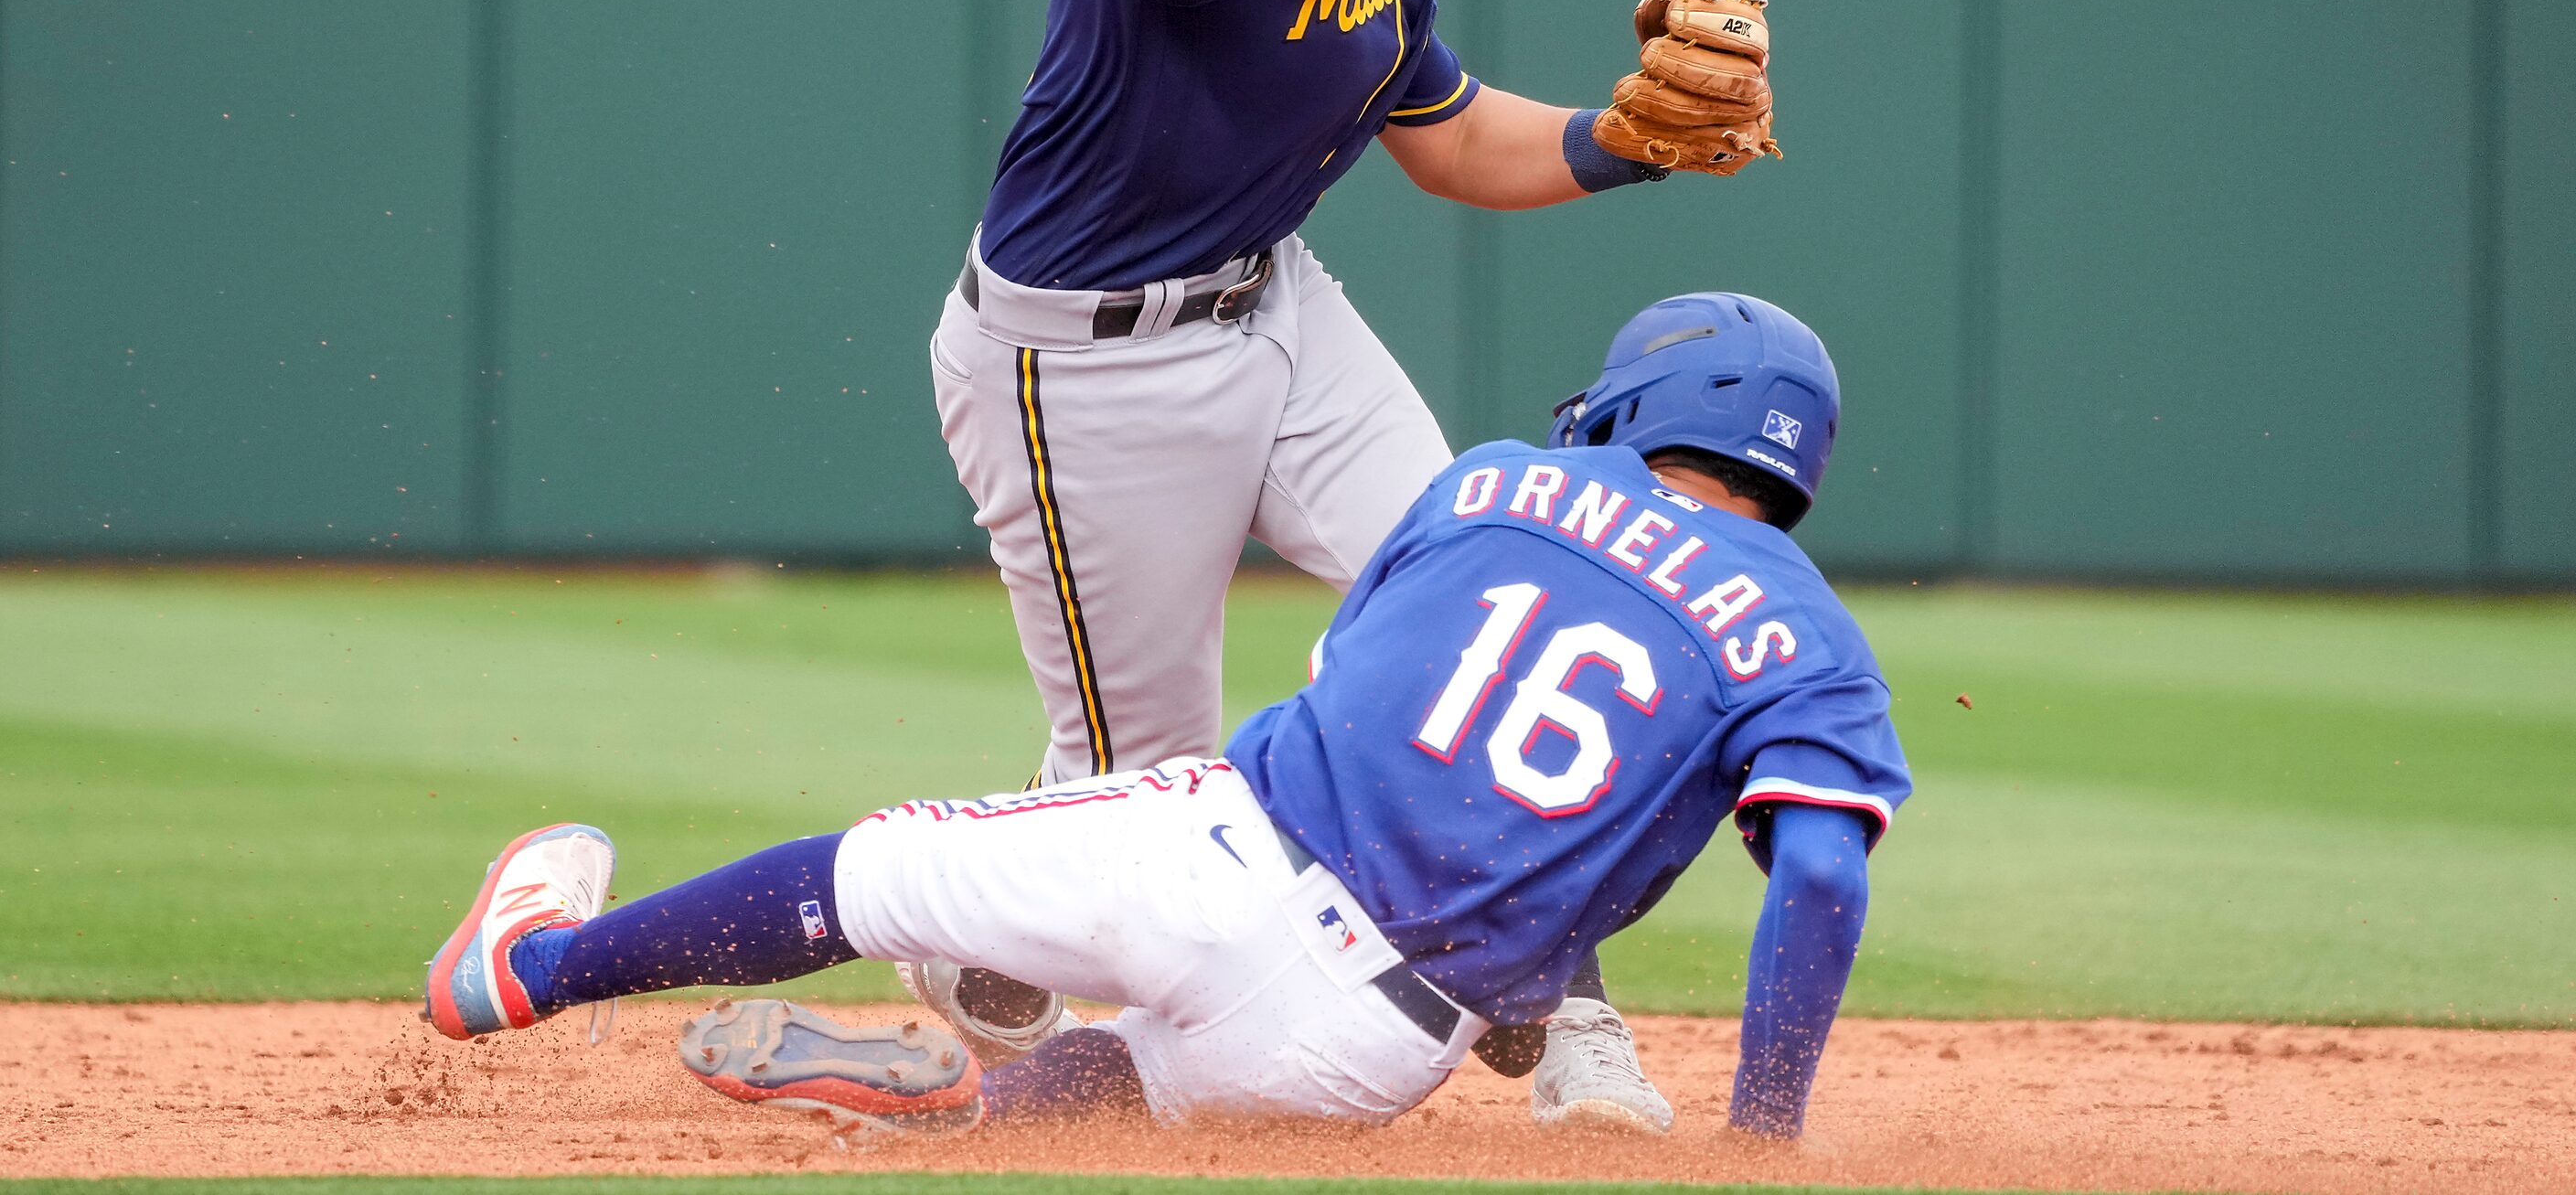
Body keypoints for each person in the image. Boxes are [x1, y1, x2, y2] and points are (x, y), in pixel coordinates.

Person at [922, 0, 1756, 1126]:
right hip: (1088, 360)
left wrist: (1631, 138)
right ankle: (965, 922)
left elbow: (1449, 143)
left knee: (1471, 598)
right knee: (1144, 805)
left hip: (1278, 306)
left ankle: (1558, 1008)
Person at [427, 293, 1908, 1142]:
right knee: (1137, 1087)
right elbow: (1821, 876)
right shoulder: (1814, 644)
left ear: (1635, 404)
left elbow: (1382, 696)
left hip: (1230, 852)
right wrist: (1758, 1137)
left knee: (874, 871)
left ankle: (530, 967)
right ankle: (962, 1122)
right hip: (1377, 1042)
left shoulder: (1494, 479)